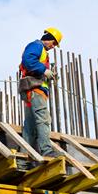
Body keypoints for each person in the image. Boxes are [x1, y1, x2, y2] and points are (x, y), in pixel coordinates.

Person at [18, 27, 63, 160]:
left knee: (30, 127)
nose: (53, 46)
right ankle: (46, 151)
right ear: (48, 37)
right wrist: (44, 69)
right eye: (53, 43)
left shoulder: (42, 51)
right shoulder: (36, 46)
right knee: (43, 120)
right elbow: (28, 60)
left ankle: (23, 160)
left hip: (32, 91)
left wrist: (48, 74)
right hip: (35, 90)